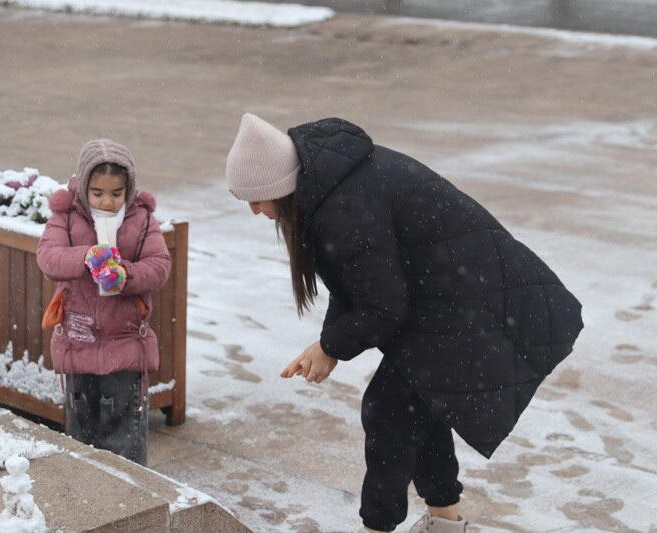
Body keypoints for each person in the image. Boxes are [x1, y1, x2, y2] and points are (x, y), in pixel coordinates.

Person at [225, 114, 583, 532]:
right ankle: (446, 523)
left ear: (281, 187)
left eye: (257, 200)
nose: (255, 212)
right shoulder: (330, 181)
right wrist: (329, 345)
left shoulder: (343, 207)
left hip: (473, 302)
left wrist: (330, 348)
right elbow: (359, 284)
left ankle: (378, 527)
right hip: (457, 296)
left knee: (388, 412)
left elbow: (382, 307)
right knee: (420, 404)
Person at [37, 138, 171, 466]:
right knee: (82, 438)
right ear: (84, 187)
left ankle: (129, 491)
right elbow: (48, 257)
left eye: (116, 193)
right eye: (98, 193)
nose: (107, 202)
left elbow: (159, 265)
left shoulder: (141, 220)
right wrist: (86, 256)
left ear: (129, 189)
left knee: (125, 437)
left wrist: (125, 275)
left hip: (125, 347)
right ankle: (87, 495)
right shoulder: (66, 215)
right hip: (78, 341)